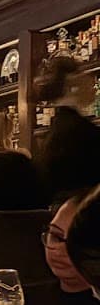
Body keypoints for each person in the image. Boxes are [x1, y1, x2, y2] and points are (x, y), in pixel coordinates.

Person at [35, 56, 100, 202]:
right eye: (82, 73)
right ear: (72, 83)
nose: (91, 81)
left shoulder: (58, 128)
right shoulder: (80, 130)